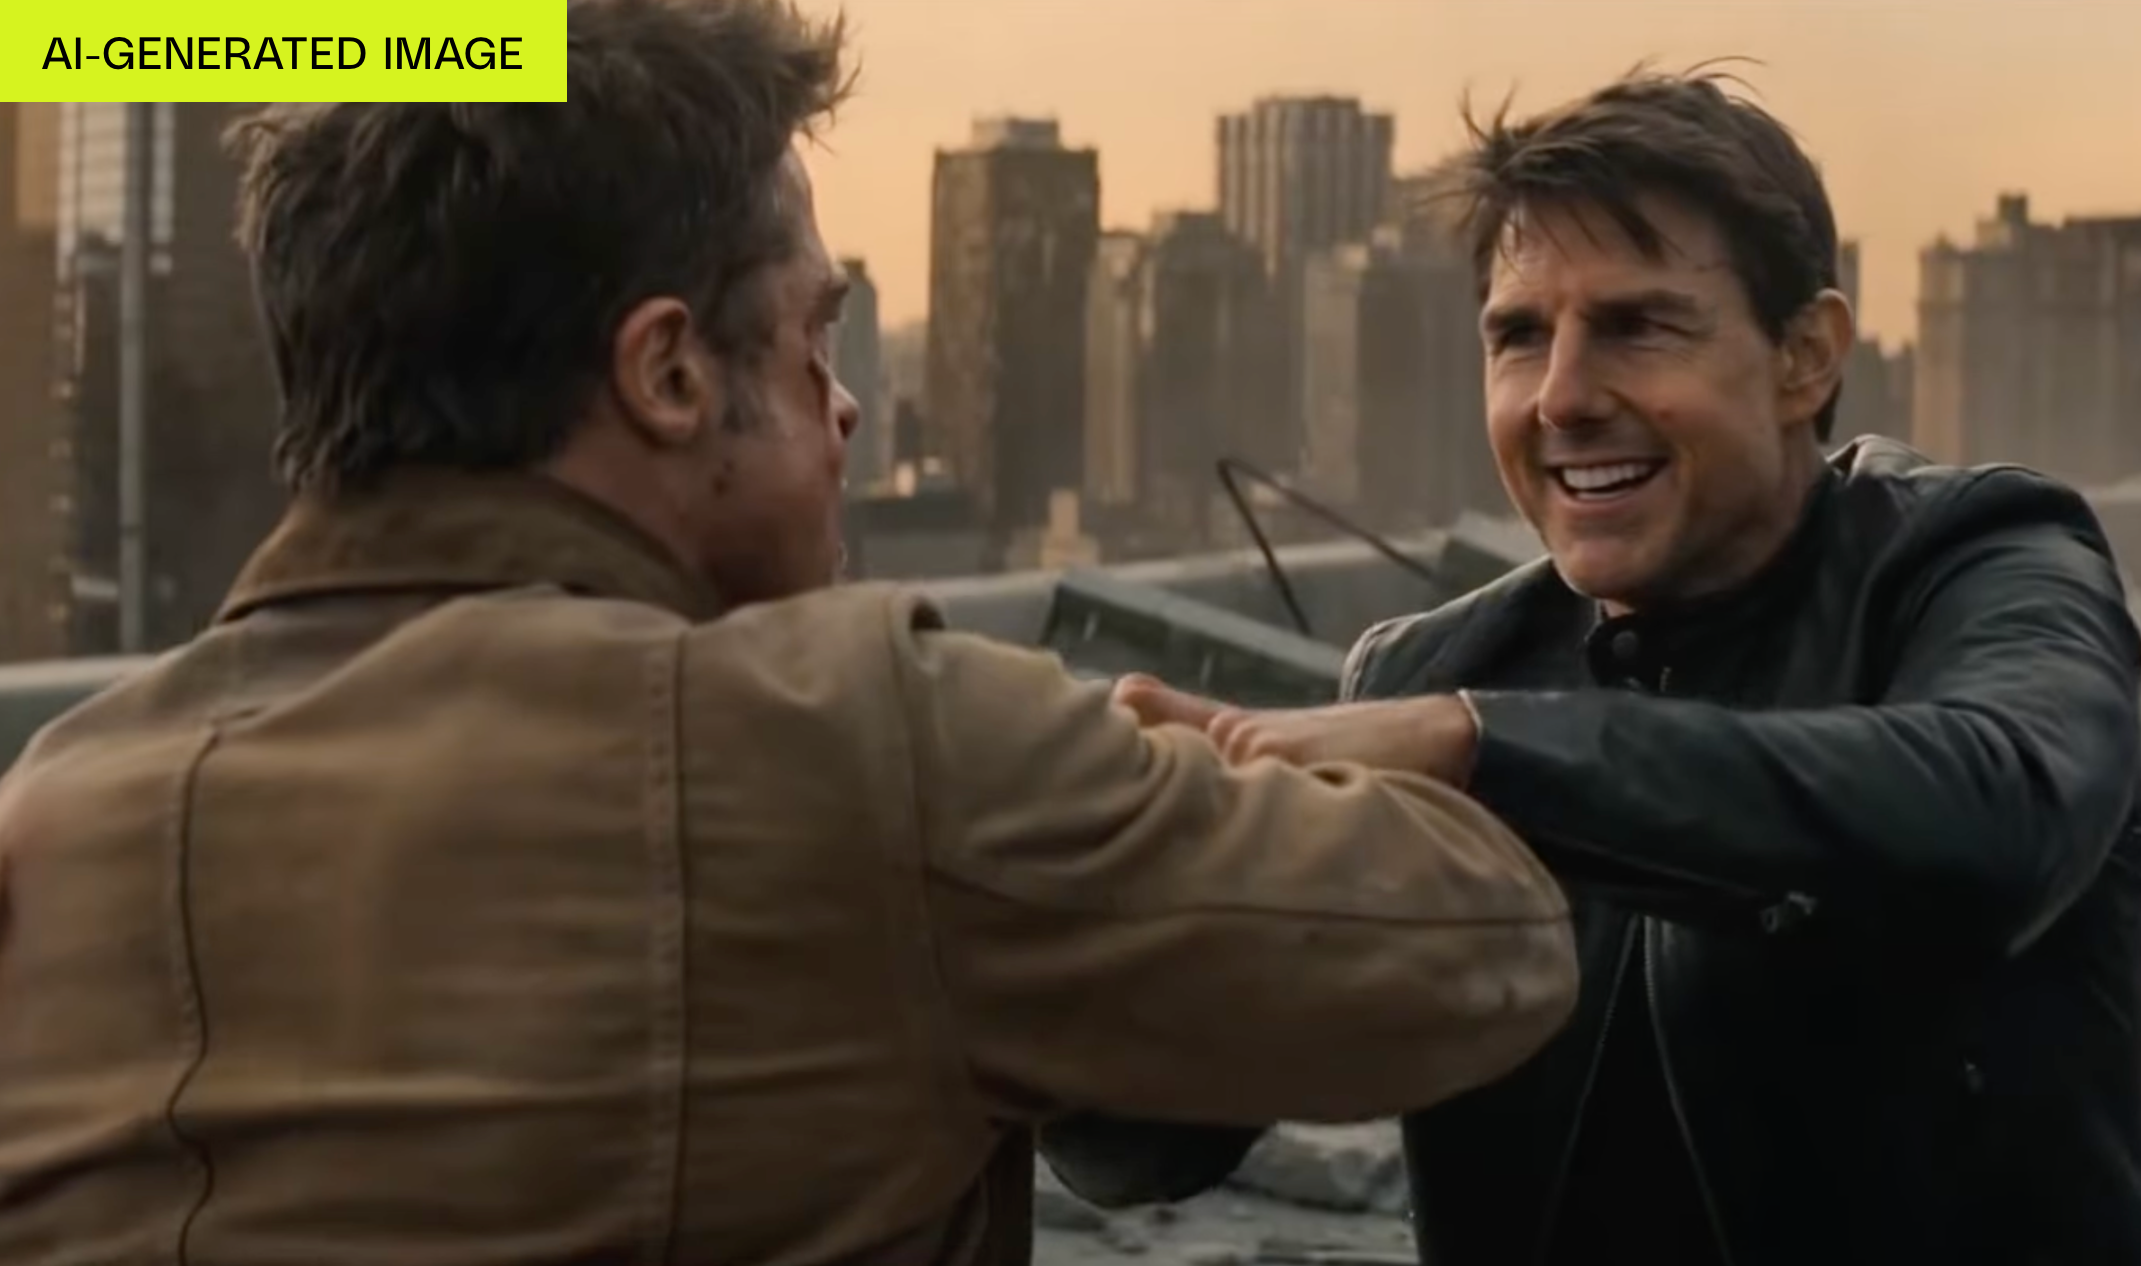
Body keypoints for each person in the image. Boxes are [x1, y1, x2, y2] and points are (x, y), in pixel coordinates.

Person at [0, 3, 1583, 1263]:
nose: (846, 410)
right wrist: (1249, 759)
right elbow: (1484, 952)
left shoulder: (56, 804)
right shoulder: (860, 739)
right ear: (669, 374)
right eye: (817, 336)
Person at [1044, 68, 2141, 1266]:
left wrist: (1480, 750)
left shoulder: (1984, 558)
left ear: (1806, 356)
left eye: (1637, 326)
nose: (1563, 398)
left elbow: (1999, 816)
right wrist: (1123, 892)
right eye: (1519, 337)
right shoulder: (1439, 665)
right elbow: (1143, 1149)